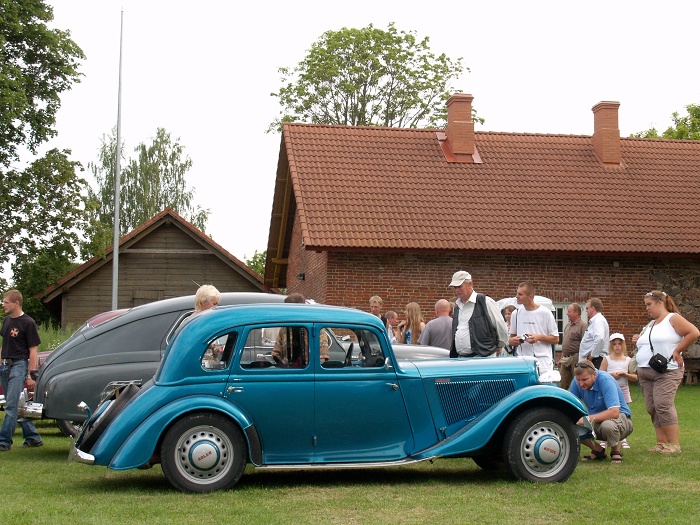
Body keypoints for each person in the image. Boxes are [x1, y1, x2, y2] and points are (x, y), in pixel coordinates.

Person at [632, 290, 699, 455]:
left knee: (663, 404)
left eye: (649, 304)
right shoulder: (651, 324)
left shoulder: (672, 318)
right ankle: (661, 442)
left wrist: (677, 351)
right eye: (646, 305)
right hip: (645, 371)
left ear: (660, 302)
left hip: (666, 370)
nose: (647, 308)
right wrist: (637, 340)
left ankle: (674, 444)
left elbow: (694, 333)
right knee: (652, 407)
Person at [0, 290, 43, 451]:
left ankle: (3, 441)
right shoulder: (6, 321)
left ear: (16, 303)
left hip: (19, 366)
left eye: (6, 302)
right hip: (5, 366)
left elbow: (33, 351)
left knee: (11, 405)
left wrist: (31, 375)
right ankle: (33, 437)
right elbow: (5, 344)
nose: (3, 305)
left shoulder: (28, 323)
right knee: (15, 404)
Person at [571, 360, 633, 464]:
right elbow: (571, 406)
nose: (581, 384)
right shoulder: (577, 381)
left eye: (584, 380)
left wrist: (586, 419)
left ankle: (615, 451)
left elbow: (614, 412)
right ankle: (598, 450)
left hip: (621, 419)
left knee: (608, 425)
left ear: (594, 375)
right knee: (569, 425)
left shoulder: (606, 380)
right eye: (578, 380)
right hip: (596, 420)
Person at [448, 271, 507, 358]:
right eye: (455, 287)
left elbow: (500, 325)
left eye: (459, 286)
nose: (457, 290)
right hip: (461, 358)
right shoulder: (456, 307)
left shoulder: (486, 301)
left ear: (470, 284)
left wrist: (500, 345)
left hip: (483, 356)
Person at [508, 282, 559, 373]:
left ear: (530, 296)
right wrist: (513, 341)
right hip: (522, 362)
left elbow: (556, 339)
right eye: (517, 293)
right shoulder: (516, 313)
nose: (517, 296)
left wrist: (539, 337)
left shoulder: (545, 313)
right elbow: (511, 338)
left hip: (543, 363)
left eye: (520, 294)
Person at [601, 333, 637, 449]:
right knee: (608, 412)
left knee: (623, 414)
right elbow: (600, 374)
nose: (617, 347)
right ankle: (605, 438)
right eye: (615, 344)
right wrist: (611, 375)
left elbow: (635, 377)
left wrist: (625, 374)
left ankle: (623, 438)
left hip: (623, 390)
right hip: (608, 391)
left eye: (619, 344)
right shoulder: (607, 359)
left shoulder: (628, 360)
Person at [272, 294, 329, 366]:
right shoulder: (285, 328)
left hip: (308, 369)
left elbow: (322, 357)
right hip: (289, 369)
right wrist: (283, 367)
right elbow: (276, 353)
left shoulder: (315, 328)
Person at [559, 303, 587, 390]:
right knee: (562, 382)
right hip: (565, 358)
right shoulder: (568, 325)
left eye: (569, 312)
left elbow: (585, 343)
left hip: (576, 357)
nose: (567, 314)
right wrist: (562, 356)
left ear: (576, 312)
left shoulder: (583, 326)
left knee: (577, 381)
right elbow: (565, 341)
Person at [579, 298, 609, 368]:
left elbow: (600, 338)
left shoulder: (598, 321)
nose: (586, 310)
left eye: (587, 308)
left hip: (595, 360)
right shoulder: (596, 321)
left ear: (593, 308)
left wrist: (593, 355)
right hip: (593, 359)